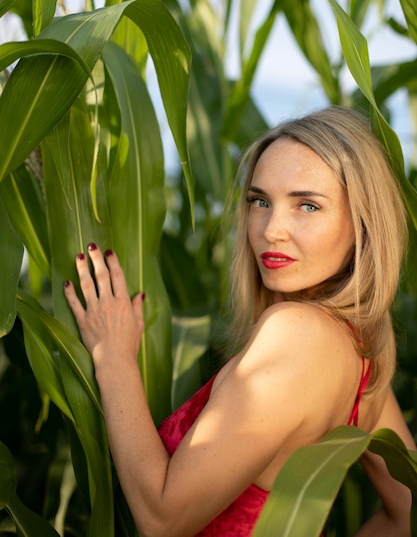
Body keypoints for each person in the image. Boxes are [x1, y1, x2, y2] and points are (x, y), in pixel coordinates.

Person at [64, 106, 415, 537]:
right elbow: (408, 510)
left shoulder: (296, 334)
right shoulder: (362, 358)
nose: (271, 230)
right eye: (260, 201)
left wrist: (113, 358)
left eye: (307, 205)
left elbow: (162, 518)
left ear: (362, 224)